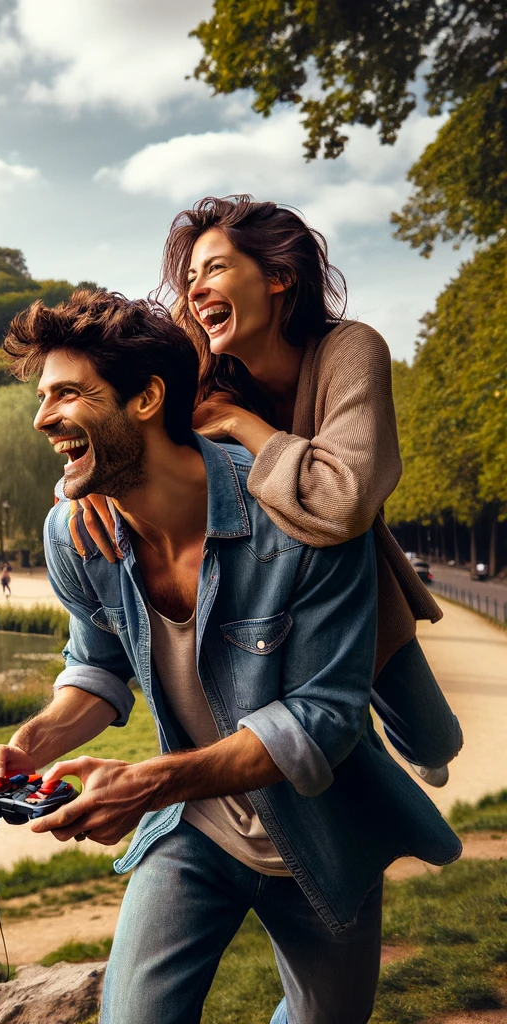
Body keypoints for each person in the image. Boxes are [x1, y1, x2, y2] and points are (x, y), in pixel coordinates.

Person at [0, 291, 460, 1024]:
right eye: (42, 397)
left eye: (67, 393)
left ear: (147, 398)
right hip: (192, 828)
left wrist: (149, 781)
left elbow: (323, 720)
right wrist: (29, 745)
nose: (42, 418)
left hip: (324, 838)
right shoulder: (72, 533)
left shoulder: (301, 524)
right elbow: (95, 672)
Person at [72, 196, 461, 787]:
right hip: (254, 591)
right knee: (310, 739)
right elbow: (128, 435)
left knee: (435, 741)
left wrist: (239, 425)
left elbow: (341, 502)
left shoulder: (350, 351)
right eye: (191, 277)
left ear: (279, 277)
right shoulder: (195, 373)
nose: (196, 290)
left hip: (352, 578)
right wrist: (88, 486)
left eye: (216, 269)